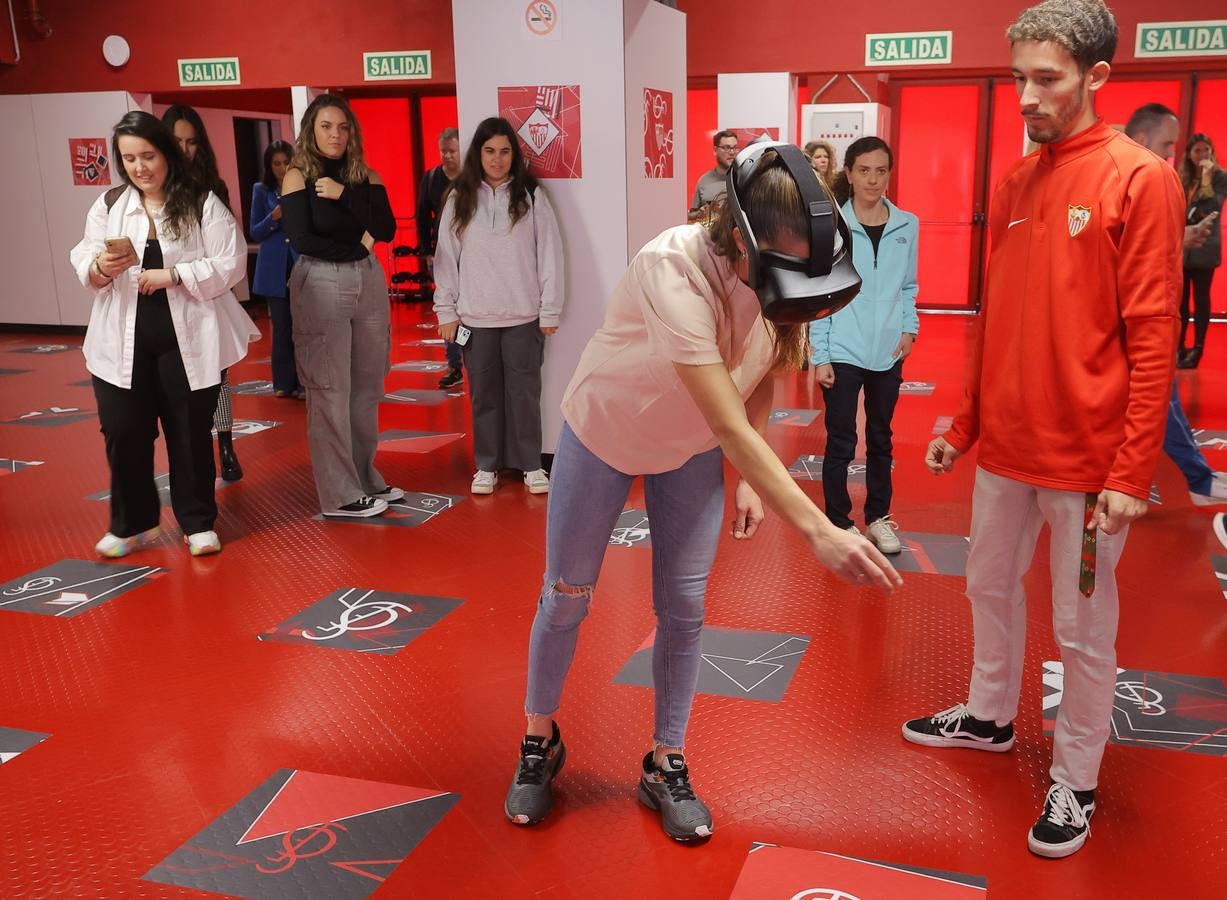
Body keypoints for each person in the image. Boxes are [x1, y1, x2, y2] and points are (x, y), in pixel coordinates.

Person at [502, 142, 902, 842]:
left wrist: (751, 475)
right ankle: (539, 739)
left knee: (684, 608)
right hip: (604, 433)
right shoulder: (671, 268)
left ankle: (666, 759)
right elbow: (724, 416)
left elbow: (764, 368)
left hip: (685, 451)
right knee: (565, 595)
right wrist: (816, 527)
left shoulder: (780, 266)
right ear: (739, 233)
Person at [902, 0, 1183, 860]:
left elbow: (1151, 336)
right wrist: (965, 420)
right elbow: (995, 315)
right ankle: (987, 719)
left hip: (1087, 467)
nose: (1025, 97)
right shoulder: (1017, 181)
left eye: (1045, 80)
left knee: (1081, 629)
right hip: (1007, 454)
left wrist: (1131, 474)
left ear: (1096, 77)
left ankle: (1076, 776)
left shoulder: (1140, 178)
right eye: (1018, 77)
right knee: (986, 588)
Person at [70, 111, 257, 558]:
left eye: (148, 155)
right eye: (129, 158)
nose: (140, 167)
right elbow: (84, 254)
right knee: (122, 429)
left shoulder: (200, 202)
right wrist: (98, 267)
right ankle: (132, 523)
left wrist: (175, 273)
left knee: (189, 431)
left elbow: (231, 263)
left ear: (166, 153)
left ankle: (196, 522)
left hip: (187, 336)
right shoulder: (111, 204)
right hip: (121, 339)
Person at [281, 94, 400, 518]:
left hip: (367, 278)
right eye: (326, 126)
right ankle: (340, 494)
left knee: (367, 386)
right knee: (331, 389)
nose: (335, 135)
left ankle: (365, 476)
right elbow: (304, 239)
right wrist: (357, 241)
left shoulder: (364, 176)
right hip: (322, 281)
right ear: (312, 131)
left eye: (343, 127)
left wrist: (344, 195)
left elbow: (385, 226)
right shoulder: (298, 177)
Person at [433, 117, 563, 496]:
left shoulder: (531, 196)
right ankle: (486, 465)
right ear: (478, 153)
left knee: (525, 393)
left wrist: (550, 309)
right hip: (475, 317)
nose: (497, 159)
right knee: (484, 394)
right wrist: (447, 311)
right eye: (490, 151)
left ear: (514, 154)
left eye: (505, 151)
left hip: (524, 316)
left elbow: (549, 254)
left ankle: (530, 465)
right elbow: (445, 258)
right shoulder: (460, 197)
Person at [810, 137, 919, 555]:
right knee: (840, 440)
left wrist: (909, 329)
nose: (873, 179)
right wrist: (820, 354)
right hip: (842, 348)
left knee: (881, 437)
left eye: (881, 171)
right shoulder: (831, 224)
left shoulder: (908, 224)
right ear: (849, 174)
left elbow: (908, 285)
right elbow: (822, 292)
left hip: (887, 351)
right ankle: (839, 521)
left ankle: (878, 518)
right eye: (864, 171)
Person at [1125, 104, 1227, 504]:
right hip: (1129, 315)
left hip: (1145, 309)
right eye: (1168, 144)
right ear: (1145, 139)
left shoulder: (1147, 178)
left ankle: (1197, 477)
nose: (1172, 152)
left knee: (1155, 396)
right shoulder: (1126, 178)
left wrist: (1179, 238)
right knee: (1157, 396)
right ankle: (1198, 479)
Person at [161, 104, 242, 482]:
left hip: (209, 296)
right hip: (165, 304)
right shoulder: (148, 195)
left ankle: (225, 444)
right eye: (177, 141)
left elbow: (226, 257)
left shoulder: (213, 191)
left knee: (217, 376)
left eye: (192, 142)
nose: (185, 149)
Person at [250, 140, 301, 399]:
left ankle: (304, 382)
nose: (282, 168)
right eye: (276, 163)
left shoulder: (301, 187)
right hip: (274, 268)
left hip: (299, 263)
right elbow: (255, 231)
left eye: (286, 163)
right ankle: (283, 382)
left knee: (303, 327)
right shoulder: (261, 190)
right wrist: (274, 218)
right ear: (269, 166)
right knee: (281, 327)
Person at [416, 127, 464, 389]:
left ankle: (469, 358)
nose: (447, 156)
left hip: (470, 255)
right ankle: (454, 364)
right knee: (448, 309)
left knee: (468, 311)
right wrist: (426, 251)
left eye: (452, 151)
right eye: (443, 151)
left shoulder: (470, 178)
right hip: (442, 255)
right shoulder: (432, 178)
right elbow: (422, 217)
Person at [1176, 133, 1226, 369]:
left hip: (1205, 246)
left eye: (1207, 150)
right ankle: (1178, 347)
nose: (1203, 155)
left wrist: (1206, 179)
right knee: (1180, 300)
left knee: (1201, 298)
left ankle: (1197, 350)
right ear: (1189, 154)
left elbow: (1212, 208)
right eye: (1198, 150)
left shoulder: (1220, 176)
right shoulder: (1183, 176)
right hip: (1182, 246)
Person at [688, 130, 738, 222]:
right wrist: (700, 213)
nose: (732, 152)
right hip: (709, 235)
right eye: (726, 148)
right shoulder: (704, 180)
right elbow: (690, 215)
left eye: (735, 148)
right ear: (715, 150)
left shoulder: (743, 179)